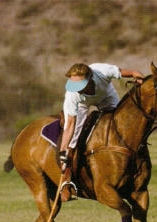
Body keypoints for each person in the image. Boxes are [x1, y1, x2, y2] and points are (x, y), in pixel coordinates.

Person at [60, 62, 144, 202]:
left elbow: (135, 72)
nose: (77, 89)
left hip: (106, 96)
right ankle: (65, 182)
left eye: (80, 85)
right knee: (73, 137)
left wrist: (140, 80)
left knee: (120, 125)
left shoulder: (103, 71)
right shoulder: (73, 95)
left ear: (90, 79)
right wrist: (63, 150)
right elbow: (70, 126)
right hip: (82, 104)